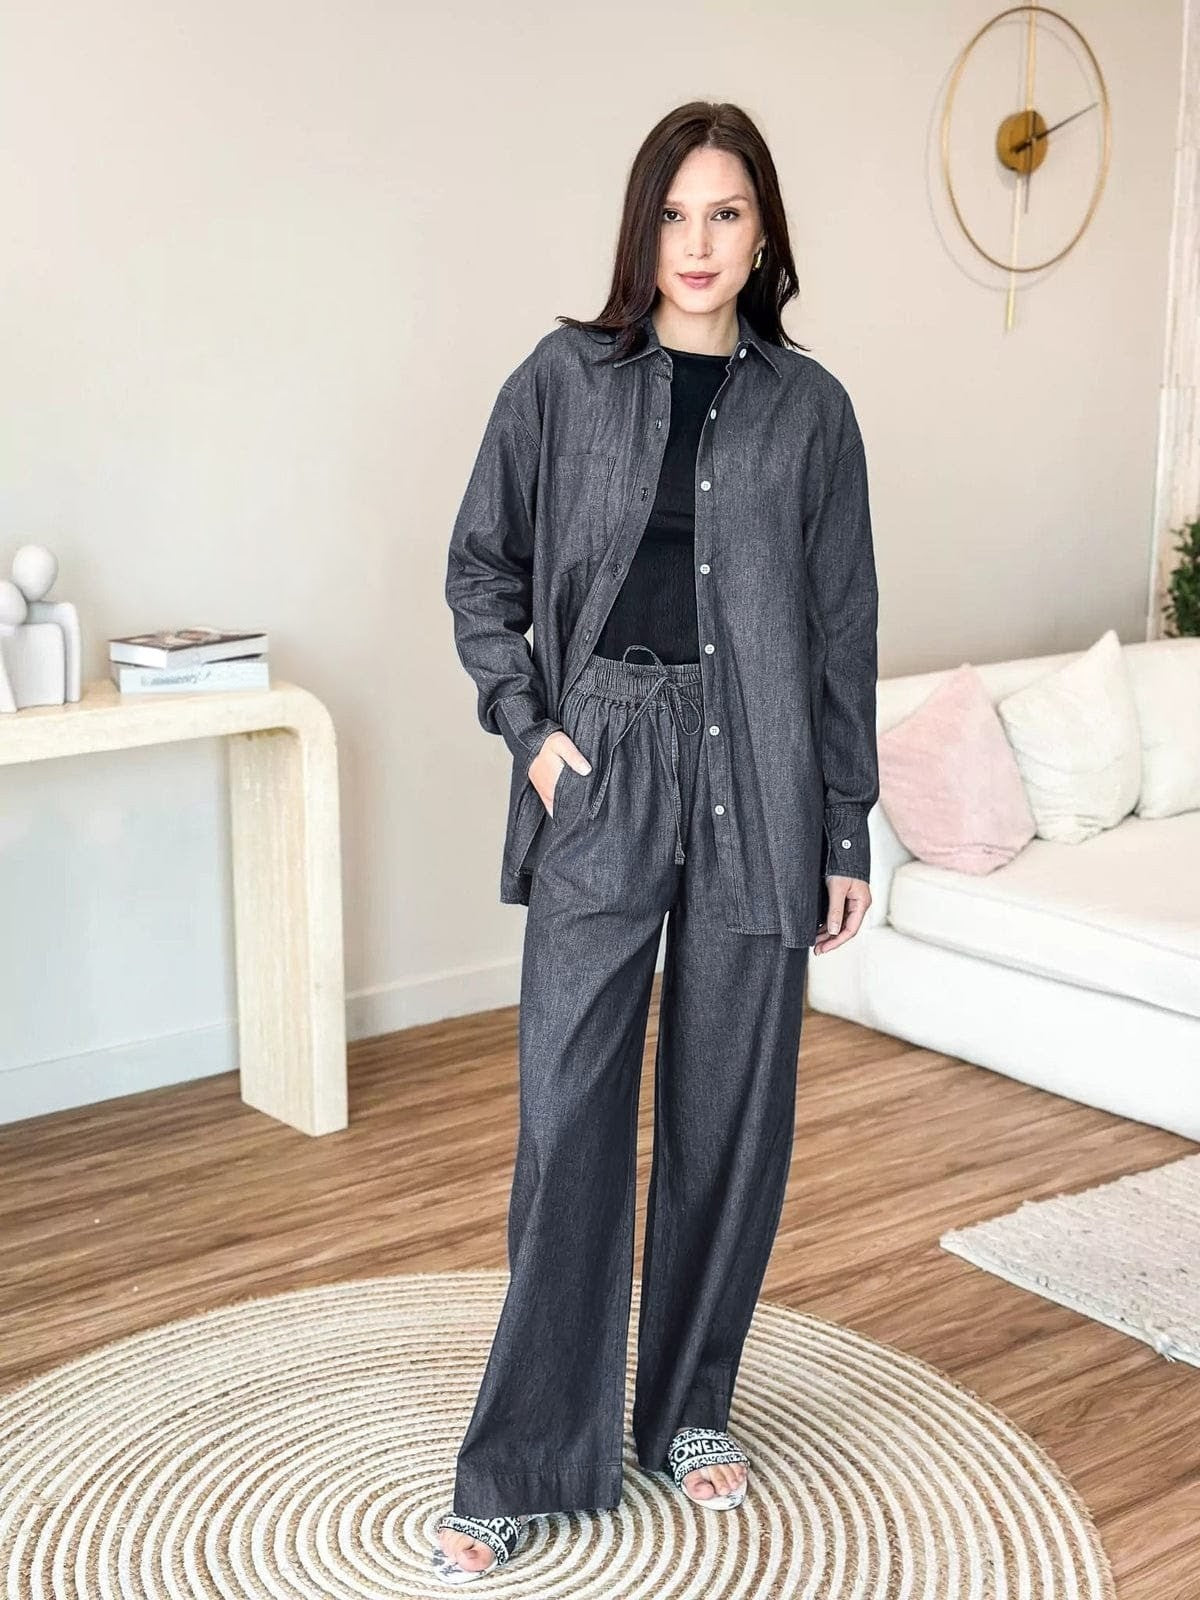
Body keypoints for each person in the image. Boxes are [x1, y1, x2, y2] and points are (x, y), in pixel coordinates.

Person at [433, 98, 878, 1583]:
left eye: (727, 214)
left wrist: (843, 826)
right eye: (677, 214)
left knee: (730, 1113)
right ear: (645, 230)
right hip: (605, 761)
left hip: (761, 768)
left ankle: (688, 1406)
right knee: (570, 1116)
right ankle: (525, 1459)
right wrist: (531, 728)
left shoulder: (811, 413)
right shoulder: (563, 380)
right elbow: (481, 567)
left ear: (764, 236)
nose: (700, 242)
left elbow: (841, 629)